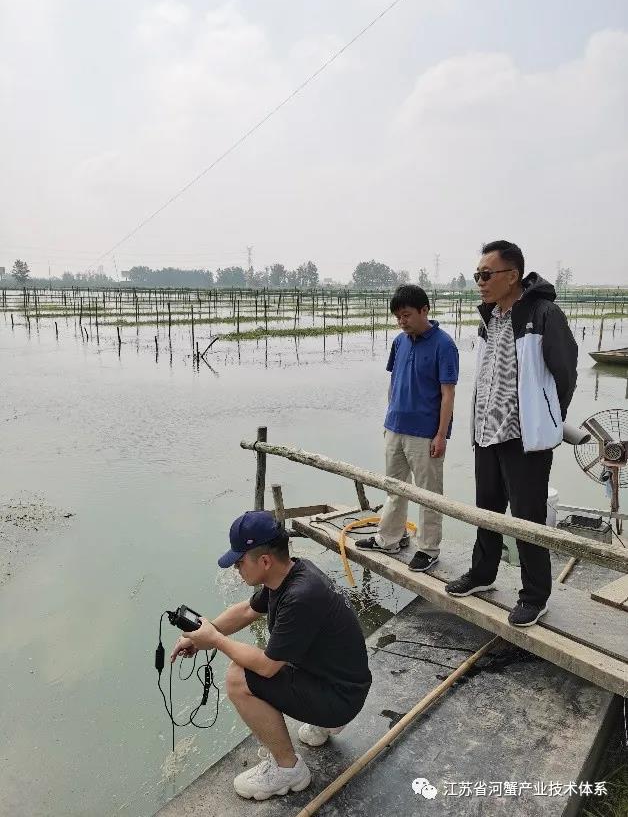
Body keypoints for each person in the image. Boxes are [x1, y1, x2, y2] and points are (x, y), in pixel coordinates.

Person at [170, 511, 372, 801]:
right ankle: (324, 720)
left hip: (342, 699)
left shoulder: (300, 596)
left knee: (239, 677)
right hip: (345, 683)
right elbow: (247, 611)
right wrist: (203, 633)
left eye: (239, 562)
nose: (236, 570)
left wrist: (214, 640)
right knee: (278, 651)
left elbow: (265, 667)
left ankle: (288, 770)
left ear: (264, 561)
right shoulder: (291, 574)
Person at [445, 241, 578, 627]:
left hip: (525, 439)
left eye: (486, 275)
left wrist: (547, 419)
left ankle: (535, 596)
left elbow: (564, 374)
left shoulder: (543, 313)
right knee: (487, 510)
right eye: (477, 276)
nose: (480, 283)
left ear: (512, 276)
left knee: (527, 518)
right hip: (487, 433)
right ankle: (483, 574)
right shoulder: (491, 317)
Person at [355, 284, 459, 571]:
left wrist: (441, 434)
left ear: (424, 310)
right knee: (394, 488)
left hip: (425, 434)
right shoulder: (399, 342)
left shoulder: (444, 345)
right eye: (398, 317)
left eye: (406, 315)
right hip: (395, 428)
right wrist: (389, 420)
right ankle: (391, 537)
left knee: (428, 494)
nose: (402, 321)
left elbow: (448, 394)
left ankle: (428, 548)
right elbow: (394, 382)